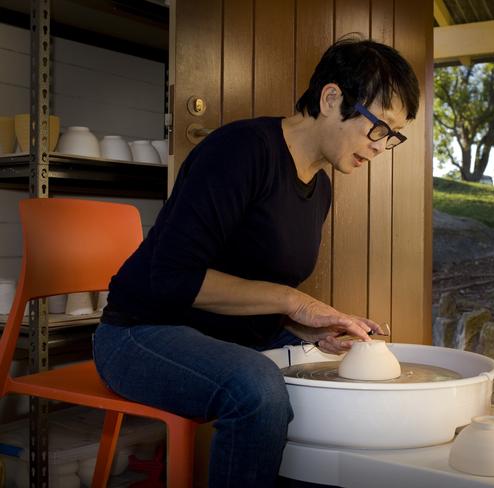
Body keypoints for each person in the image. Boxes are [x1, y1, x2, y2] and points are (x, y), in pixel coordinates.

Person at [93, 36, 420, 487]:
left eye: (393, 136)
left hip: (222, 336)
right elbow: (170, 278)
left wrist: (311, 328)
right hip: (140, 333)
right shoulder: (240, 151)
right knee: (259, 388)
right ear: (331, 98)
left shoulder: (320, 188)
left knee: (331, 381)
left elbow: (253, 288)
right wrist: (292, 302)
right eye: (378, 127)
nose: (382, 146)